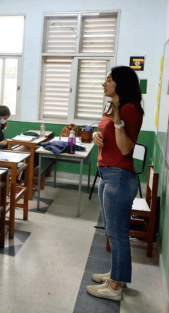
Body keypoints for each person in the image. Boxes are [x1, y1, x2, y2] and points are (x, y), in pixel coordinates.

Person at [86, 66, 144, 301]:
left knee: (118, 234)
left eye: (108, 80)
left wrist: (118, 119)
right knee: (113, 231)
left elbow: (125, 148)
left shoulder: (129, 109)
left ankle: (115, 287)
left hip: (119, 176)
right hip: (107, 173)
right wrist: (96, 137)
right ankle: (117, 276)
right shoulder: (113, 107)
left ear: (121, 83)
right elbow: (103, 133)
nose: (104, 84)